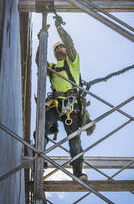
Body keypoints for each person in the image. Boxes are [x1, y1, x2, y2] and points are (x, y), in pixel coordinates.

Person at [36, 15, 95, 181]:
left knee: (74, 139)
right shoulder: (53, 67)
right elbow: (38, 61)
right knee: (43, 127)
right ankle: (39, 161)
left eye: (61, 46)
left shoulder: (73, 62)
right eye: (57, 47)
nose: (60, 48)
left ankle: (78, 172)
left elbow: (69, 44)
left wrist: (59, 29)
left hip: (72, 106)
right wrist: (42, 39)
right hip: (55, 104)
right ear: (55, 53)